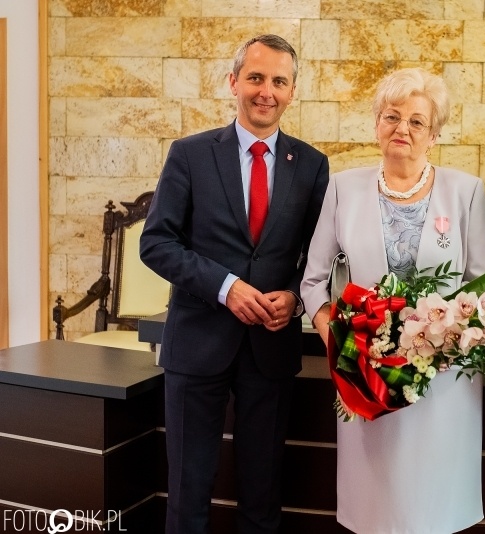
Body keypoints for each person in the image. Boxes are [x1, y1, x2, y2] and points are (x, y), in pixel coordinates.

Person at [139, 34, 329, 534]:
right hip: (197, 343)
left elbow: (319, 253)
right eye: (256, 77)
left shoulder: (311, 165)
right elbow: (155, 243)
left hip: (271, 347)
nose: (267, 91)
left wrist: (293, 295)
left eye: (279, 81)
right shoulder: (190, 155)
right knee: (187, 492)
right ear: (234, 82)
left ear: (292, 91)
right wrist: (225, 286)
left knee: (263, 493)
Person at [301, 67, 485, 533]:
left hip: (444, 382)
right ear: (376, 125)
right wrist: (342, 340)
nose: (401, 129)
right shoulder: (342, 188)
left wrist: (450, 343)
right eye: (391, 117)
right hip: (365, 376)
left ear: (434, 135)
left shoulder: (465, 191)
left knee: (436, 510)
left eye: (416, 121)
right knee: (374, 510)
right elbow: (312, 282)